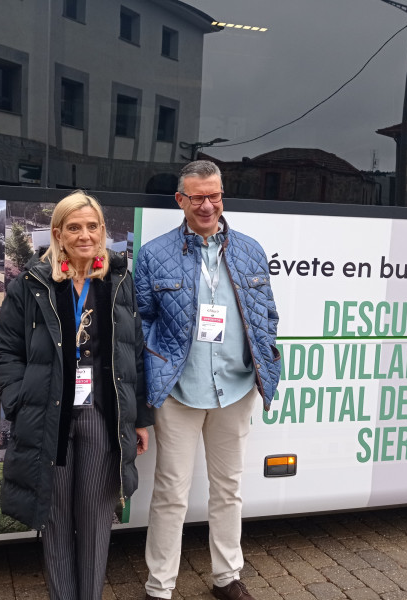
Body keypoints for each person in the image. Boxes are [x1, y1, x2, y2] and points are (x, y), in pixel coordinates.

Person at [0, 190, 152, 600]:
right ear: (58, 233)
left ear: (103, 231)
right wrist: (19, 398)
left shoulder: (118, 281)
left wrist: (141, 418)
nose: (85, 235)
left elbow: (133, 351)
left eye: (92, 226)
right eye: (74, 227)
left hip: (102, 415)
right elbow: (5, 350)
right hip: (49, 416)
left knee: (97, 519)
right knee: (57, 519)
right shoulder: (32, 284)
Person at [134, 160, 281, 600]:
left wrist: (266, 356)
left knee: (229, 488)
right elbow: (141, 320)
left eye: (213, 195)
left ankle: (227, 577)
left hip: (235, 388)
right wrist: (154, 370)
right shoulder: (154, 253)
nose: (206, 205)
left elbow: (267, 314)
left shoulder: (250, 249)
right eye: (196, 196)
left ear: (222, 196)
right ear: (180, 200)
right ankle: (159, 587)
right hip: (179, 392)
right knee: (171, 494)